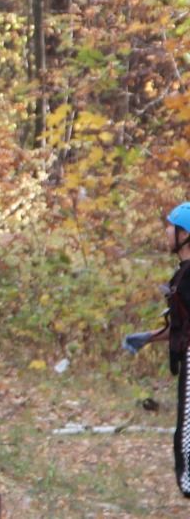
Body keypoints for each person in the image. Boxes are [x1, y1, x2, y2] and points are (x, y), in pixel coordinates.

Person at [123, 203, 190, 497]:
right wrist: (148, 337)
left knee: (187, 440)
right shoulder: (183, 275)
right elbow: (183, 327)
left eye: (170, 226)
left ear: (185, 233)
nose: (165, 231)